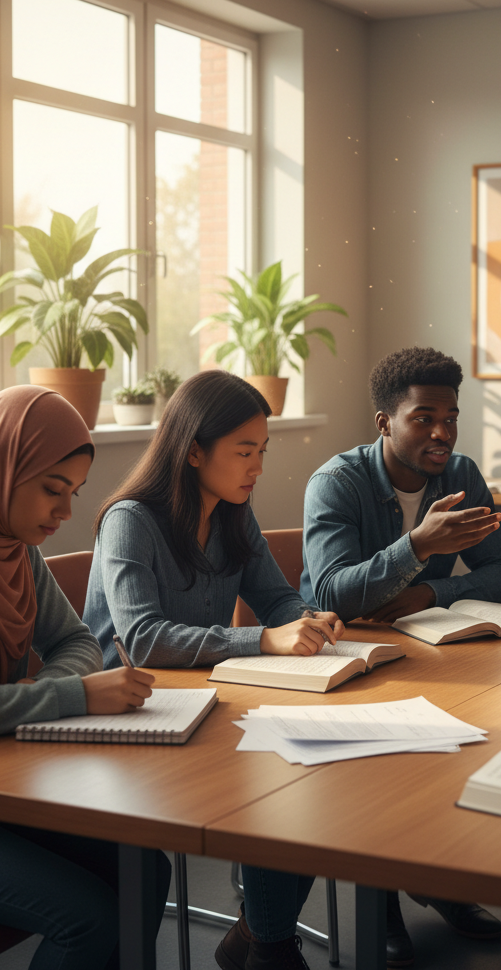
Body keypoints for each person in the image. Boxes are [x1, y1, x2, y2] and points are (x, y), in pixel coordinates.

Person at [84, 369, 344, 970]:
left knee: (309, 767)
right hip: (130, 717)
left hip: (208, 699)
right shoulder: (131, 519)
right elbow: (143, 641)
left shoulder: (234, 511)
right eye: (244, 452)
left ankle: (260, 938)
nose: (257, 468)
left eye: (262, 451)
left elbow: (276, 599)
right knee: (279, 770)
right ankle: (268, 944)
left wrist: (309, 622)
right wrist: (264, 639)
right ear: (194, 451)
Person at [300, 346, 501, 965]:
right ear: (384, 423)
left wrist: (430, 590)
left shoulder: (460, 475)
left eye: (450, 417)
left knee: (461, 750)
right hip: (341, 657)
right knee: (383, 771)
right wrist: (414, 547)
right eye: (423, 418)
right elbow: (329, 592)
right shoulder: (337, 481)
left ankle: (442, 881)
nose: (441, 433)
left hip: (425, 650)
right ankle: (385, 903)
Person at [0, 385, 169, 970]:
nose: (64, 513)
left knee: (145, 867)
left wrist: (43, 693)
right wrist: (70, 695)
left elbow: (75, 641)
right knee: (87, 916)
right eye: (50, 490)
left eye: (73, 493)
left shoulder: (12, 548)